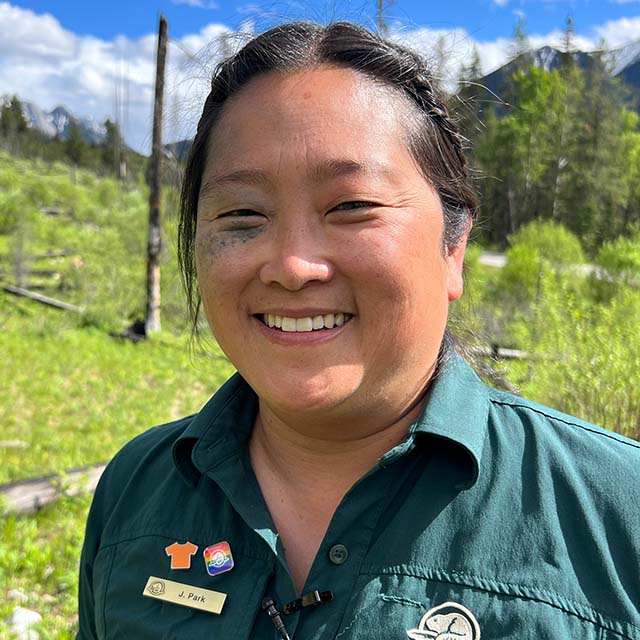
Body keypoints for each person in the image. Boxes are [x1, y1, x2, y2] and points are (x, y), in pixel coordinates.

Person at [77, 21, 640, 640]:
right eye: (242, 215)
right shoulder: (138, 485)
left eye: (351, 206)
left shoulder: (619, 513)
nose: (292, 266)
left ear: (453, 247)